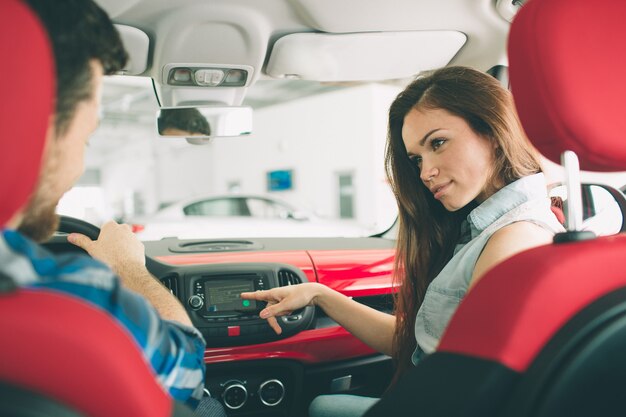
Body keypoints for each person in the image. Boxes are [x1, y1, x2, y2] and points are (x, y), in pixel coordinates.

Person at [241, 66, 565, 417]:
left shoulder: (512, 240)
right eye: (417, 160)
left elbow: (479, 397)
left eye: (438, 143)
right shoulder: (487, 231)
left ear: (492, 130)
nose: (425, 172)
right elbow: (416, 345)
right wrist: (320, 294)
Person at [0, 0, 225, 415]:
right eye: (85, 138)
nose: (80, 164)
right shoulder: (74, 293)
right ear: (32, 134)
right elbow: (188, 373)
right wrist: (128, 268)